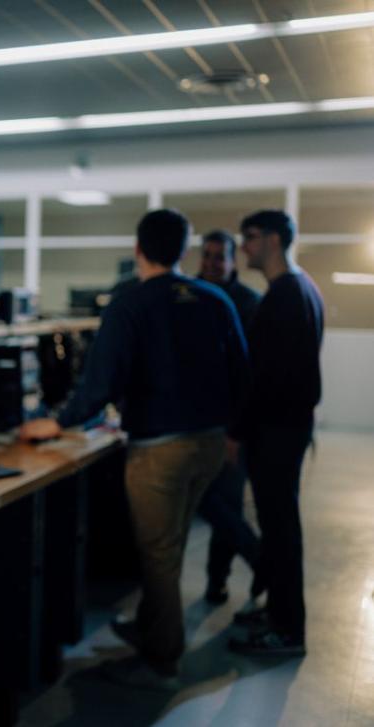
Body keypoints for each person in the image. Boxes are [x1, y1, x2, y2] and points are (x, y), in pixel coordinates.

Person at [20, 209, 248, 688]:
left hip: (160, 451)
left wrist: (55, 423)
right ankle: (149, 628)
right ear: (184, 251)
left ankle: (161, 661)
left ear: (138, 249)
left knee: (158, 554)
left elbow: (99, 382)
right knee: (173, 543)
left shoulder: (131, 302)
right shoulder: (214, 298)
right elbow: (241, 371)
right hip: (209, 444)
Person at [228, 210, 323, 657]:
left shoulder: (285, 295)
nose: (243, 247)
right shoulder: (303, 288)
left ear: (270, 240)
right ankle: (280, 613)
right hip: (290, 426)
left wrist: (238, 431)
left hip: (277, 430)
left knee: (281, 529)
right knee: (279, 526)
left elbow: (265, 378)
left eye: (248, 238)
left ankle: (287, 629)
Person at [196, 230, 262, 604]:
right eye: (207, 255)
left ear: (233, 260)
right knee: (207, 501)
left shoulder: (248, 303)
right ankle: (259, 561)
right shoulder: (190, 297)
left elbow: (249, 374)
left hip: (230, 424)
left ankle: (221, 579)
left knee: (225, 503)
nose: (211, 263)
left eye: (219, 257)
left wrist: (237, 430)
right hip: (193, 421)